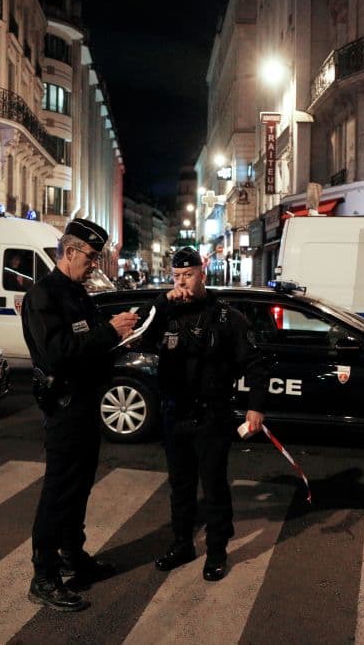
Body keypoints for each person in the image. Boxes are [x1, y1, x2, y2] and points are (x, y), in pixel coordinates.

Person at [21, 218, 139, 612]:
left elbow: (88, 346)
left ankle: (73, 556)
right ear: (69, 252)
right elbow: (59, 352)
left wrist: (122, 338)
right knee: (59, 492)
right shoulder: (45, 295)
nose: (95, 265)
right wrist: (109, 332)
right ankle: (44, 575)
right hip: (64, 408)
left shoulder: (77, 293)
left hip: (85, 405)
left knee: (80, 487)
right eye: (91, 257)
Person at [138, 246, 268, 582]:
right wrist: (162, 303)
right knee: (180, 485)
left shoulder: (225, 317)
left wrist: (255, 406)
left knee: (213, 486)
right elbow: (140, 334)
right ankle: (182, 544)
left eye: (189, 275)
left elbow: (254, 363)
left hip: (211, 414)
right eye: (177, 276)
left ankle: (217, 551)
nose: (182, 282)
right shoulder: (165, 312)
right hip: (174, 412)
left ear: (202, 273)